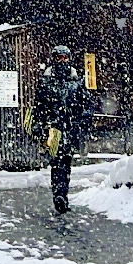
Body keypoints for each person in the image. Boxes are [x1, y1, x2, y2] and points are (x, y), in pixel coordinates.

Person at [30, 44, 86, 213]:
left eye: (65, 58)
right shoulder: (46, 83)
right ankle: (58, 196)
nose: (62, 61)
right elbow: (38, 106)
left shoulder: (76, 83)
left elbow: (86, 104)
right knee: (56, 163)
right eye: (59, 58)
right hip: (53, 130)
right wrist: (39, 124)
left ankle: (63, 195)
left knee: (66, 164)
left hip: (70, 130)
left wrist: (81, 121)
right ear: (53, 59)